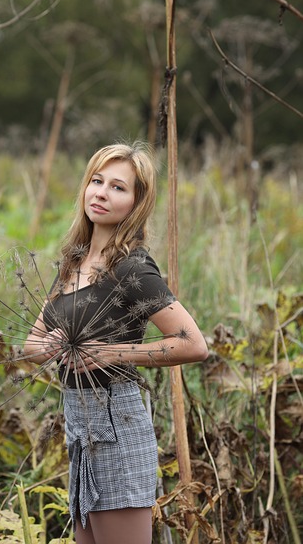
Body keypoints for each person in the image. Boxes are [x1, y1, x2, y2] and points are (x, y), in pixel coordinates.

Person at [24, 142, 208, 544]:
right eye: (96, 181)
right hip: (79, 429)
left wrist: (111, 353)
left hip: (116, 423)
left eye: (118, 187)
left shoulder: (131, 267)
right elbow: (30, 344)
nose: (102, 193)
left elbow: (193, 343)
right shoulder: (72, 263)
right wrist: (53, 344)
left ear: (136, 204)